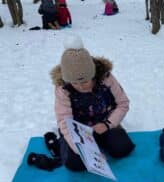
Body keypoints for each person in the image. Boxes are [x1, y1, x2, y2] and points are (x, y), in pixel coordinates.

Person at [48, 35, 135, 171]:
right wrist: (85, 151)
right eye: (75, 82)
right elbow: (65, 121)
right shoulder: (63, 89)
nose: (80, 86)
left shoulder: (106, 79)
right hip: (77, 130)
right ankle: (68, 145)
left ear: (93, 74)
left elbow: (123, 103)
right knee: (76, 164)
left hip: (103, 123)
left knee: (123, 149)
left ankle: (100, 141)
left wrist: (108, 124)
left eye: (84, 81)